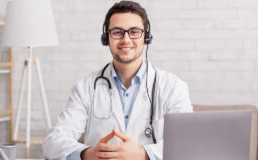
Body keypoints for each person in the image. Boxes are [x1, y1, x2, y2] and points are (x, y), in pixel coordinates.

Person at [43, 1, 193, 160]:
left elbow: (189, 142)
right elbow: (53, 142)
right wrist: (88, 154)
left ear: (146, 37)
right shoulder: (85, 87)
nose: (126, 39)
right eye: (117, 32)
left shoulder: (173, 87)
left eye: (134, 32)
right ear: (106, 37)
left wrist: (143, 154)